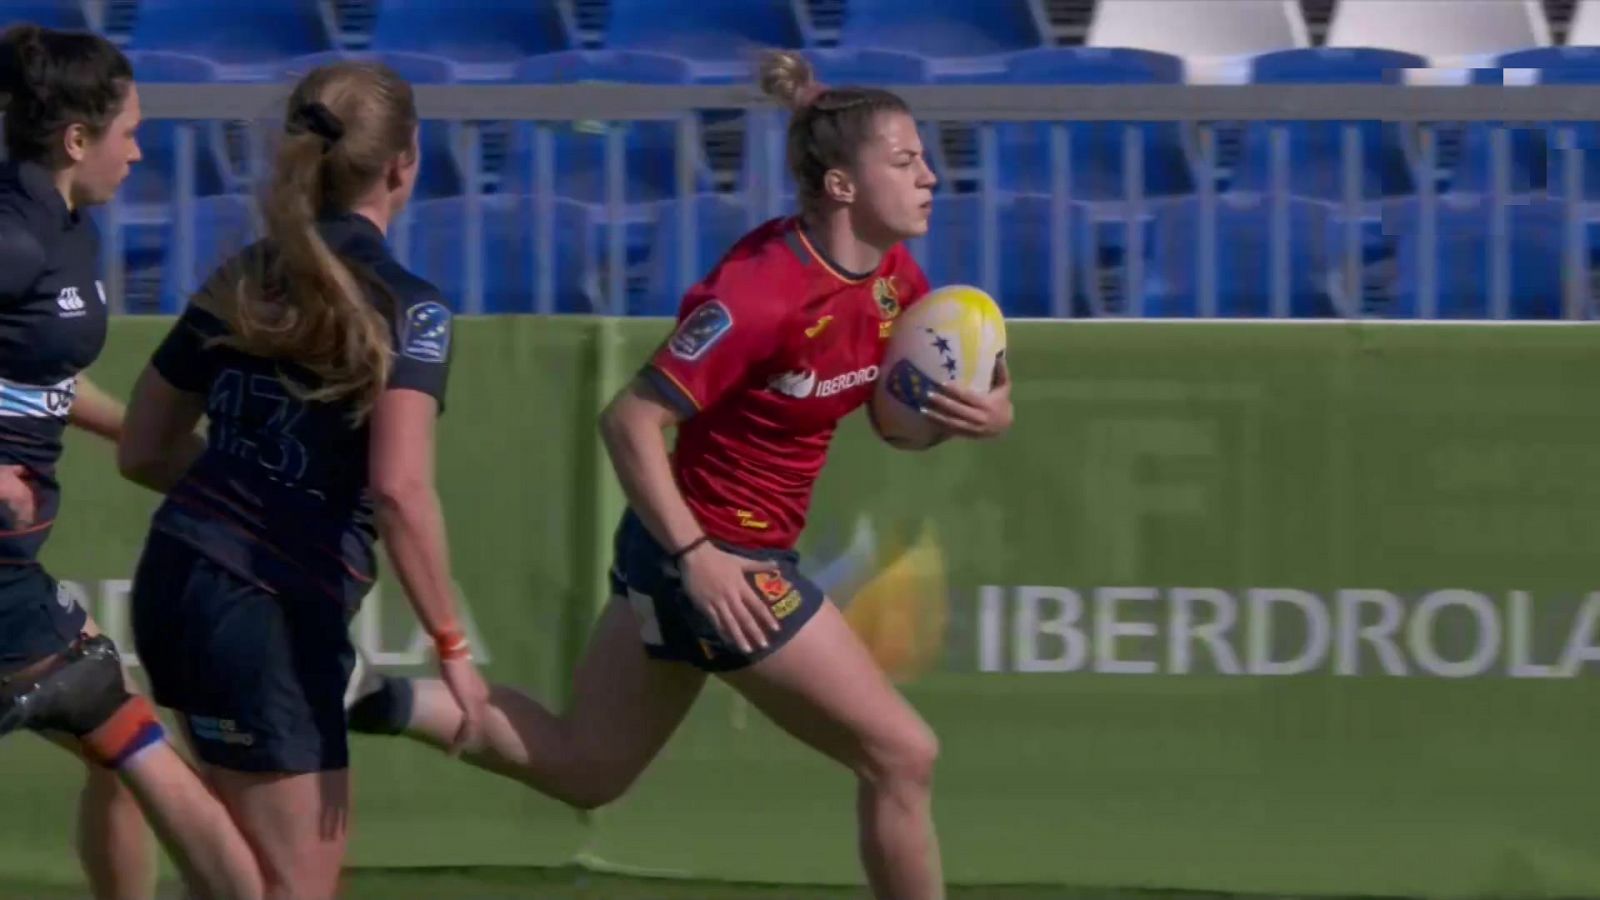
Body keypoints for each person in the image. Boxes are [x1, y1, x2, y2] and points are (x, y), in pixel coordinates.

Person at [347, 49, 1014, 900]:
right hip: (714, 556)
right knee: (904, 754)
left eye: (924, 157)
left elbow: (894, 415)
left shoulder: (891, 279)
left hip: (694, 553)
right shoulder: (762, 293)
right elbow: (627, 419)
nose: (931, 175)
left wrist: (992, 409)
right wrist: (699, 555)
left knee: (589, 768)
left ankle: (367, 695)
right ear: (842, 186)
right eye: (906, 160)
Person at [115, 60, 489, 900]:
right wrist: (453, 649)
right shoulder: (411, 305)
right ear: (405, 161)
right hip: (268, 614)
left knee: (232, 878)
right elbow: (398, 490)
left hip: (177, 577)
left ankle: (131, 751)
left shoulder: (242, 274)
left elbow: (142, 448)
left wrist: (232, 502)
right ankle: (129, 750)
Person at [0, 23, 264, 900]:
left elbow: (44, 383)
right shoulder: (13, 234)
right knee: (136, 742)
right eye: (129, 131)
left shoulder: (67, 231)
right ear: (77, 140)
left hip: (17, 568)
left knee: (121, 744)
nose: (141, 151)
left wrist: (175, 453)